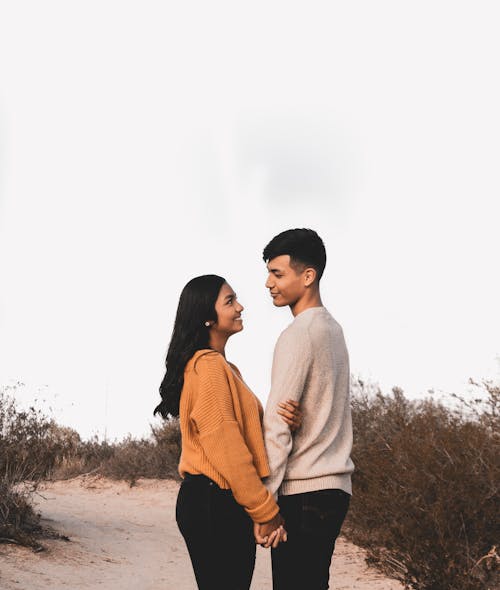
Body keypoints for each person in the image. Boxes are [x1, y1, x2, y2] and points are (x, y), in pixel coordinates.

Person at [154, 274, 301, 590]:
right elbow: (228, 449)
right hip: (214, 501)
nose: (240, 307)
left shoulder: (226, 369)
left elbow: (246, 438)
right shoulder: (208, 367)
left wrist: (289, 421)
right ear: (208, 316)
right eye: (230, 301)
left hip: (217, 501)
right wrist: (265, 511)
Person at [259, 228, 355, 590]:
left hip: (303, 491)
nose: (268, 283)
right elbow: (326, 408)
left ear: (308, 276)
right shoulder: (334, 330)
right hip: (334, 489)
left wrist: (267, 501)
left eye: (278, 273)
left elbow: (276, 424)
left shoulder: (298, 334)